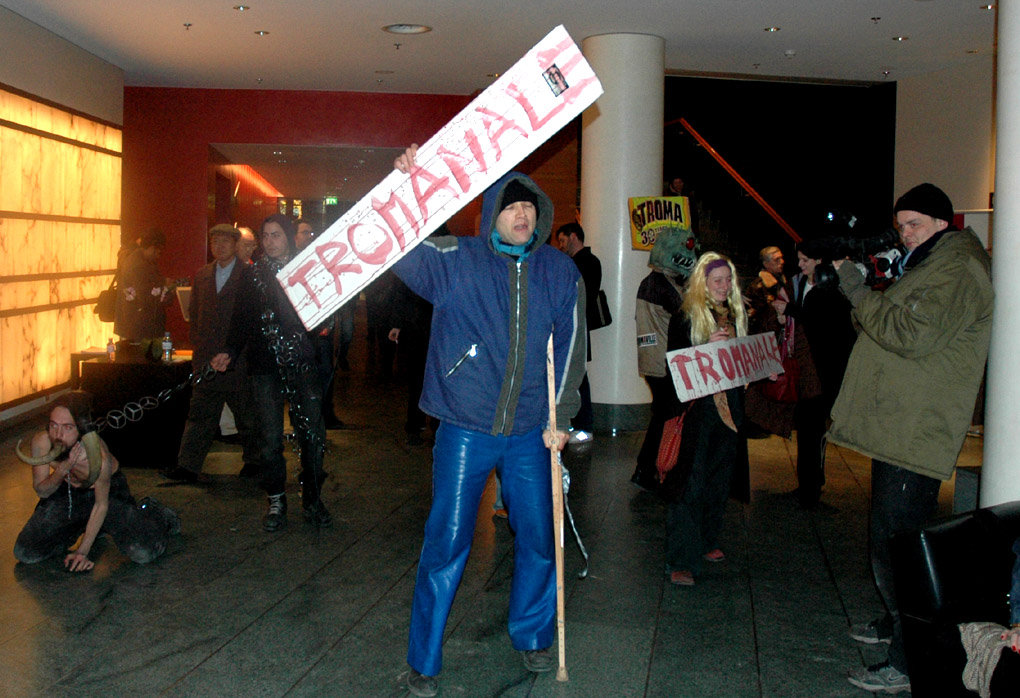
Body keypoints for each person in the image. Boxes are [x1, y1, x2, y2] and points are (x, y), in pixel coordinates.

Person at [393, 147, 586, 697]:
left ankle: (532, 634)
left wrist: (562, 417)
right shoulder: (456, 259)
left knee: (540, 539)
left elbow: (572, 349)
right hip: (465, 427)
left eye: (529, 208)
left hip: (531, 430)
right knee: (447, 540)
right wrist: (408, 186)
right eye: (510, 207)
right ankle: (424, 659)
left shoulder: (559, 270)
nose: (521, 216)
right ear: (491, 213)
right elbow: (401, 247)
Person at [832, 184, 993, 694]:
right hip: (899, 424)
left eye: (915, 224)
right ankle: (896, 625)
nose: (905, 233)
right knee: (890, 541)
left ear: (943, 224)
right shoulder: (932, 263)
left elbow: (907, 333)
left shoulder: (956, 268)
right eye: (901, 225)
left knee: (901, 547)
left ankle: (908, 658)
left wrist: (855, 288)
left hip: (914, 429)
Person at [211, 213, 332, 531]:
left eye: (276, 235)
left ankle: (313, 497)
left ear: (289, 237)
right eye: (265, 236)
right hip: (265, 365)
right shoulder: (254, 276)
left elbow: (324, 308)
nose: (269, 241)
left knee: (312, 433)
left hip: (302, 362)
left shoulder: (306, 268)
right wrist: (229, 351)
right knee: (269, 438)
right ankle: (276, 499)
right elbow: (242, 318)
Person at [14, 391, 180, 572]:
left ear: (81, 429)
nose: (58, 434)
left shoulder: (98, 458)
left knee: (143, 552)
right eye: (53, 425)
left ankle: (155, 513)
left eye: (68, 427)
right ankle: (81, 526)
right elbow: (42, 491)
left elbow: (101, 505)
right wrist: (61, 470)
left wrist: (82, 552)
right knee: (26, 552)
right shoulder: (43, 441)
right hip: (69, 491)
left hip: (107, 497)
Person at [661, 252, 748, 587]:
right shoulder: (686, 317)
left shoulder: (735, 314)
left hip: (727, 412)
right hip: (695, 413)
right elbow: (675, 366)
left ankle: (708, 540)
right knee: (689, 484)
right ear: (703, 283)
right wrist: (704, 348)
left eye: (728, 280)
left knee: (719, 479)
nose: (724, 286)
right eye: (717, 281)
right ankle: (680, 559)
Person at [164, 224, 261, 484]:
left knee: (247, 416)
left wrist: (241, 353)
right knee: (200, 415)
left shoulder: (248, 274)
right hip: (206, 360)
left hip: (237, 361)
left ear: (236, 244)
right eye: (215, 241)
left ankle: (255, 462)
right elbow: (194, 315)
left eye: (225, 241)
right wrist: (198, 346)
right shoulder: (203, 275)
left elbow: (252, 320)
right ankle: (187, 466)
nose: (219, 246)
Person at [772, 238, 857, 509]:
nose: (799, 265)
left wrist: (791, 311)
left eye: (805, 260)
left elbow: (824, 323)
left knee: (813, 430)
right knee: (807, 431)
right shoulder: (798, 285)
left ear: (820, 261)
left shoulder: (831, 290)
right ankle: (807, 485)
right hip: (803, 368)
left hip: (822, 371)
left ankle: (812, 488)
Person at [631, 226, 698, 491]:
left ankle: (647, 470)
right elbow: (685, 318)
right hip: (665, 364)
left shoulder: (656, 282)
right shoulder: (663, 285)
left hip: (657, 362)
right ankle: (649, 470)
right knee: (665, 418)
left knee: (662, 416)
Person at [556, 222, 602, 442]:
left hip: (576, 328)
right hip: (575, 328)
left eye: (563, 240)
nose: (561, 246)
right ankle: (581, 425)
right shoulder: (585, 263)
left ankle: (583, 425)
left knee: (578, 377)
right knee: (577, 375)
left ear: (573, 236)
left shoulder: (584, 264)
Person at [114, 227, 171, 343]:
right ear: (152, 248)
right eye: (159, 252)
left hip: (132, 326)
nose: (159, 256)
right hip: (141, 328)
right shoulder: (139, 265)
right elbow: (146, 296)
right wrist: (166, 288)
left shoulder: (133, 259)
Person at [745, 245, 786, 334]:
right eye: (776, 259)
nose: (782, 262)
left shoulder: (783, 283)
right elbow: (755, 318)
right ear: (766, 264)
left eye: (781, 258)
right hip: (767, 336)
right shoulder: (758, 287)